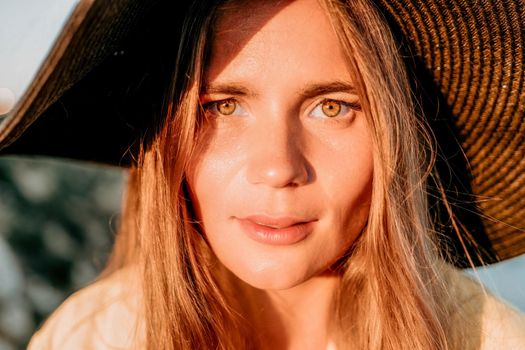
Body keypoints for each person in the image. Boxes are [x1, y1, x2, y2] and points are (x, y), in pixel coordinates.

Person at [0, 0, 523, 349]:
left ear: (395, 137)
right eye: (224, 107)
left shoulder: (488, 339)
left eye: (332, 107)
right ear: (166, 138)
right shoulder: (94, 338)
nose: (278, 168)